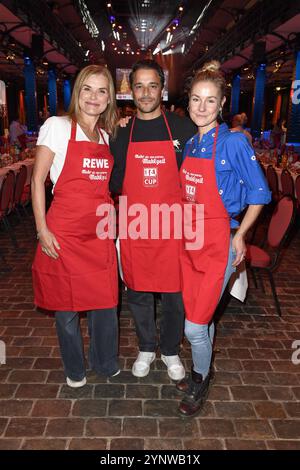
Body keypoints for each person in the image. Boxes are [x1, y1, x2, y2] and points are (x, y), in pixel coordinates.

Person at [177, 61, 271, 416]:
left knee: (194, 325)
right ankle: (203, 371)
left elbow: (260, 194)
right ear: (189, 103)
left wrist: (241, 234)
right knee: (201, 319)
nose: (202, 107)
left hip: (218, 242)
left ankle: (201, 378)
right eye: (196, 100)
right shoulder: (191, 143)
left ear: (221, 105)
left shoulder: (232, 142)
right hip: (189, 243)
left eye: (210, 101)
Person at [31, 65, 120, 388]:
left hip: (99, 234)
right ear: (77, 92)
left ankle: (105, 360)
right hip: (64, 229)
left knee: (105, 300)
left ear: (109, 98)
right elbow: (37, 180)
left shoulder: (106, 136)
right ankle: (74, 367)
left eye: (101, 91)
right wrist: (42, 229)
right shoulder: (57, 126)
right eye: (87, 89)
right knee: (65, 304)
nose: (93, 98)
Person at [110, 59, 196, 380]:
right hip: (136, 228)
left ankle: (171, 350)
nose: (146, 93)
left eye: (152, 85)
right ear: (130, 90)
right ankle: (147, 346)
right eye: (139, 86)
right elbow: (115, 182)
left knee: (175, 297)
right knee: (138, 294)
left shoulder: (184, 129)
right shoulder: (121, 134)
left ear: (162, 89)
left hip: (174, 229)